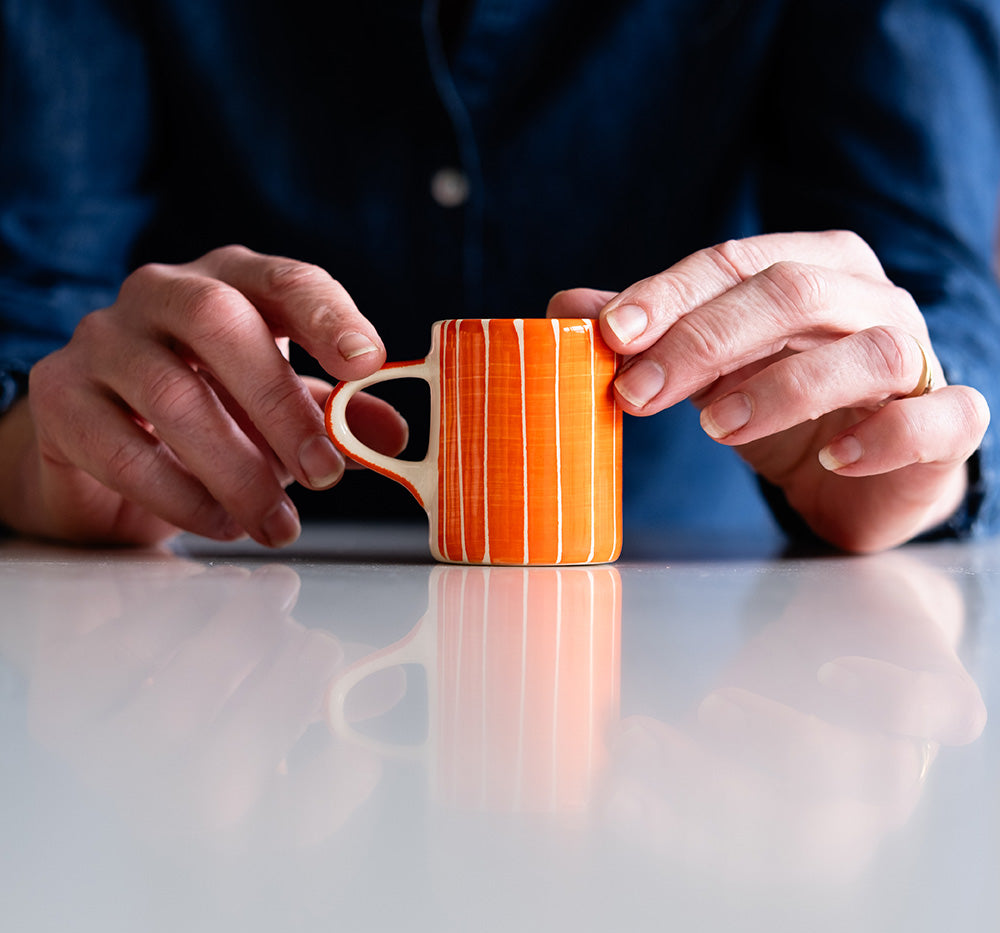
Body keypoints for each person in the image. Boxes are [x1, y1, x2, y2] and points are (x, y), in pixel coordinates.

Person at [0, 0, 998, 553]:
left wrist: (909, 446)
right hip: (231, 624)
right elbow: (33, 308)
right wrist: (42, 451)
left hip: (713, 630)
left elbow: (923, 288)